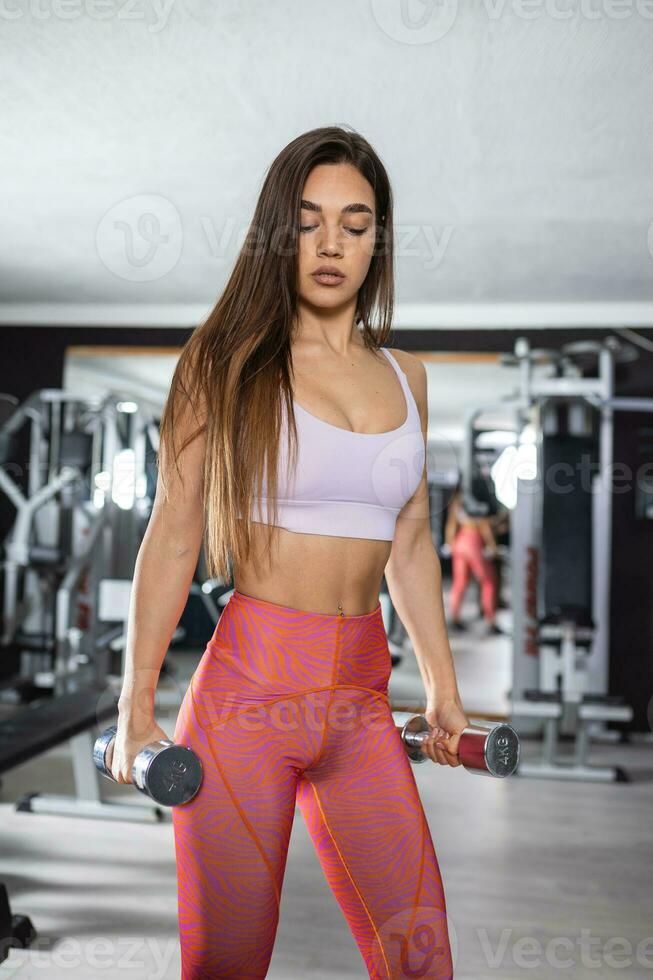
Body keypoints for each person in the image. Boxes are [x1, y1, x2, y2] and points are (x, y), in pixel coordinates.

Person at [111, 126, 468, 979]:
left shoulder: (406, 375)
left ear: (378, 237)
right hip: (246, 695)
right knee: (227, 963)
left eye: (356, 220)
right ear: (278, 231)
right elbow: (172, 536)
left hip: (361, 701)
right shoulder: (225, 362)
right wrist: (133, 707)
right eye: (308, 221)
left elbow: (410, 544)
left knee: (421, 957)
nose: (332, 242)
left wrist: (446, 693)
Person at [444, 483, 500, 635]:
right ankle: (491, 620)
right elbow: (484, 525)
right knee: (489, 581)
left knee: (460, 583)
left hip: (460, 542)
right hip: (474, 542)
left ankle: (454, 618)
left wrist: (450, 543)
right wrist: (492, 545)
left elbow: (451, 525)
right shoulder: (478, 498)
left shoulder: (458, 502)